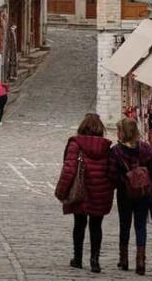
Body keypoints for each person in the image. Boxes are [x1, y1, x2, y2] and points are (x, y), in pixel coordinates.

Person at [55, 113, 113, 273]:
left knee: (79, 224)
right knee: (96, 226)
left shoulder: (76, 143)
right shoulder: (106, 146)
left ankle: (78, 258)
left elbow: (69, 168)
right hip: (100, 190)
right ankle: (95, 261)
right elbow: (111, 170)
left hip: (80, 190)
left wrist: (61, 191)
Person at [107, 117, 152, 276]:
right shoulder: (145, 148)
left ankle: (123, 259)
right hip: (144, 193)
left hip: (125, 193)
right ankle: (141, 261)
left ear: (122, 132)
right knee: (141, 226)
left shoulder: (115, 151)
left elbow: (111, 174)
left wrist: (124, 180)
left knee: (124, 224)